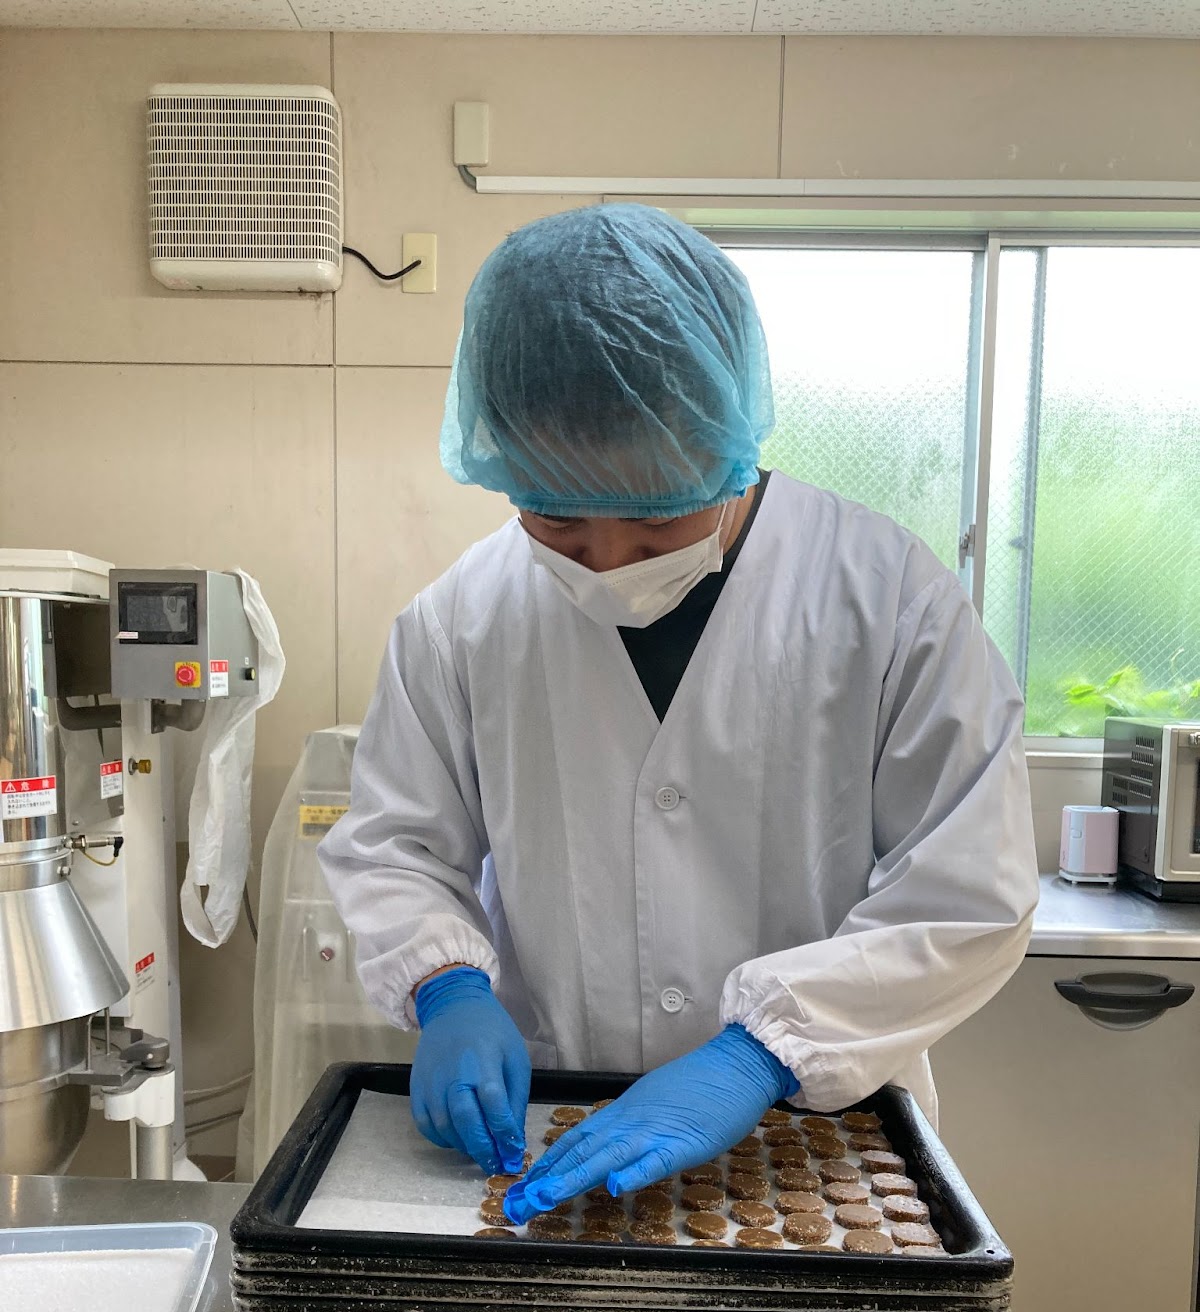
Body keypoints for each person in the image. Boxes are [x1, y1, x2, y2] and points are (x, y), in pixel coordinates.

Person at [318, 204, 1038, 1226]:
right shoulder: (459, 623)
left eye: (656, 517)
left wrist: (763, 1052)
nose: (610, 562)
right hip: (552, 1129)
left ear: (724, 439)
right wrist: (446, 987)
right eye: (559, 518)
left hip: (810, 1138)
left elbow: (967, 892)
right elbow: (396, 847)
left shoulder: (889, 603)